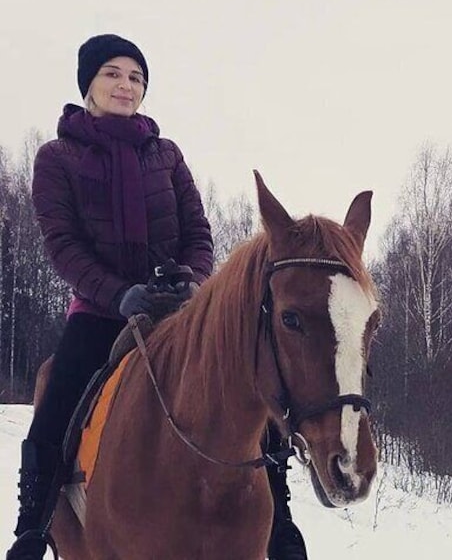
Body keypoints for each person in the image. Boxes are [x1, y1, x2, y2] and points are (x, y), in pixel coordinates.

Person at [4, 34, 302, 560]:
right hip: (101, 312)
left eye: (136, 77)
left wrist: (193, 282)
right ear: (88, 84)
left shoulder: (165, 154)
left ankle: (281, 524)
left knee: (254, 386)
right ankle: (31, 529)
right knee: (58, 399)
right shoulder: (57, 157)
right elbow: (62, 243)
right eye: (113, 73)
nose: (126, 84)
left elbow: (198, 231)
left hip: (179, 310)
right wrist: (120, 294)